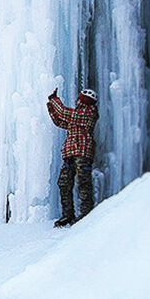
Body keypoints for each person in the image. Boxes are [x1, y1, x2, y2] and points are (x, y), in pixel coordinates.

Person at [47, 88, 99, 227]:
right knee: (64, 183)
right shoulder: (77, 115)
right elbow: (60, 121)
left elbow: (64, 113)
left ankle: (86, 213)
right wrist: (51, 107)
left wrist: (54, 100)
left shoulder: (89, 113)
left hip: (82, 152)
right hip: (70, 153)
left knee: (83, 183)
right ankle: (67, 215)